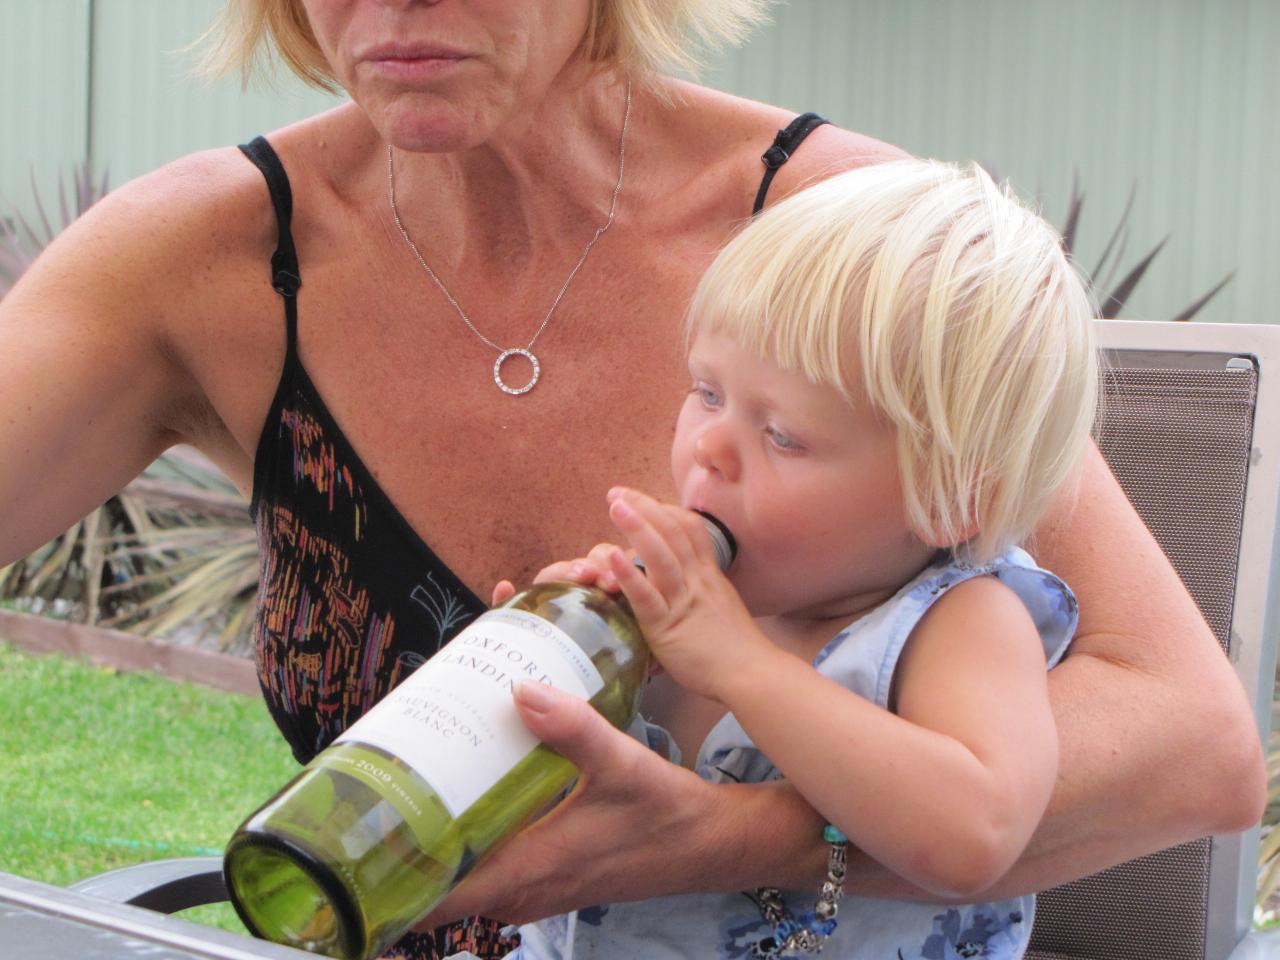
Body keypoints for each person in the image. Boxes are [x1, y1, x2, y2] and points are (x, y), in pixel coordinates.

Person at [0, 1, 1262, 958]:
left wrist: (718, 840)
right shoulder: (204, 258)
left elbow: (1192, 752)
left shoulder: (847, 250)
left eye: (775, 432)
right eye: (703, 397)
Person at [480, 157, 1096, 960]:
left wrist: (741, 665)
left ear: (948, 498)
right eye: (707, 392)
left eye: (782, 436)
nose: (709, 448)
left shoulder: (960, 623)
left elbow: (975, 834)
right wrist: (557, 681)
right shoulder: (682, 608)